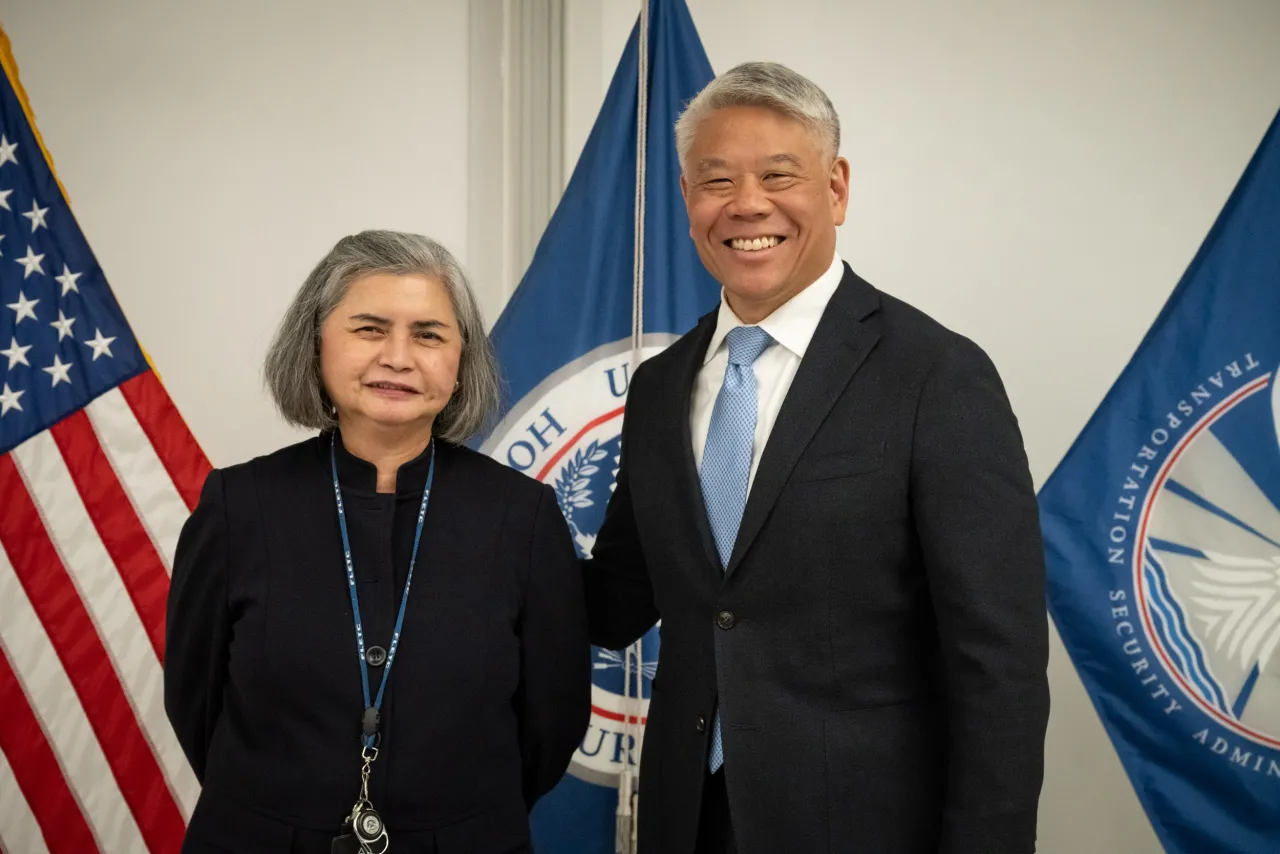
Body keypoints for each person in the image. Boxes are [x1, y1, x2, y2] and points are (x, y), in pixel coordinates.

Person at [586, 62, 1050, 854]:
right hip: (687, 821)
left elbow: (997, 664)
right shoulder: (661, 386)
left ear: (835, 188)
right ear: (688, 199)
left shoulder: (936, 375)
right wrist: (467, 522)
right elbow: (619, 597)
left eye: (778, 175)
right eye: (715, 180)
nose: (746, 205)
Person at [165, 230, 589, 854]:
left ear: (460, 360)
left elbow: (550, 722)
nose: (398, 356)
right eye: (369, 328)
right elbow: (195, 702)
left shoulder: (522, 516)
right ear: (316, 345)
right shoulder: (239, 505)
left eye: (428, 334)